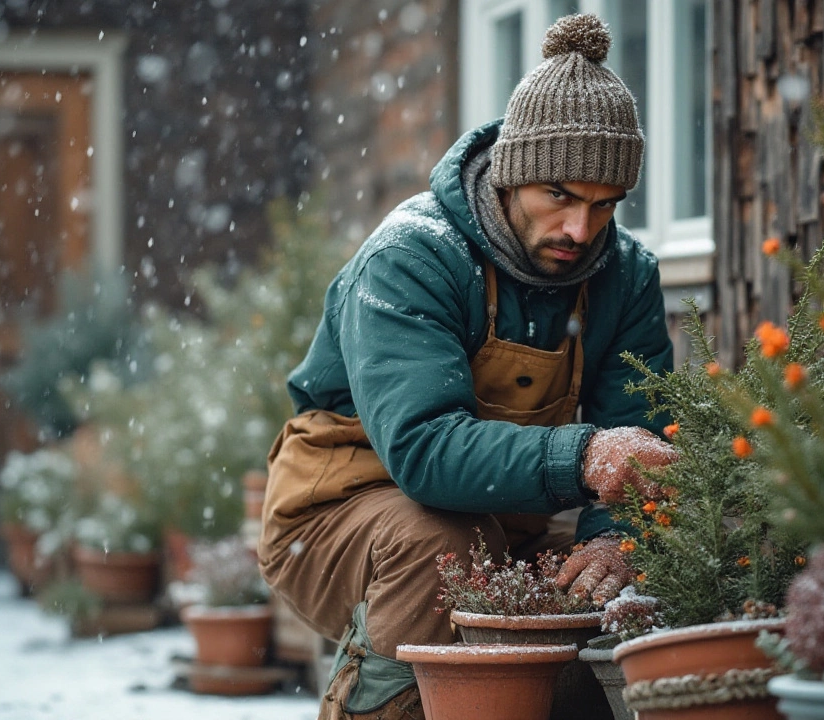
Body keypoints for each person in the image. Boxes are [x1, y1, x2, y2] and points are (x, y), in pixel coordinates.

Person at [258, 13, 677, 720]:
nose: (582, 230)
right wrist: (586, 457)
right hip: (335, 513)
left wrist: (611, 537)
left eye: (604, 206)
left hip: (498, 512)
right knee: (445, 549)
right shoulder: (412, 257)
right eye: (561, 198)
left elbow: (636, 427)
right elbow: (423, 450)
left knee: (606, 597)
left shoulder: (624, 275)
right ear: (514, 178)